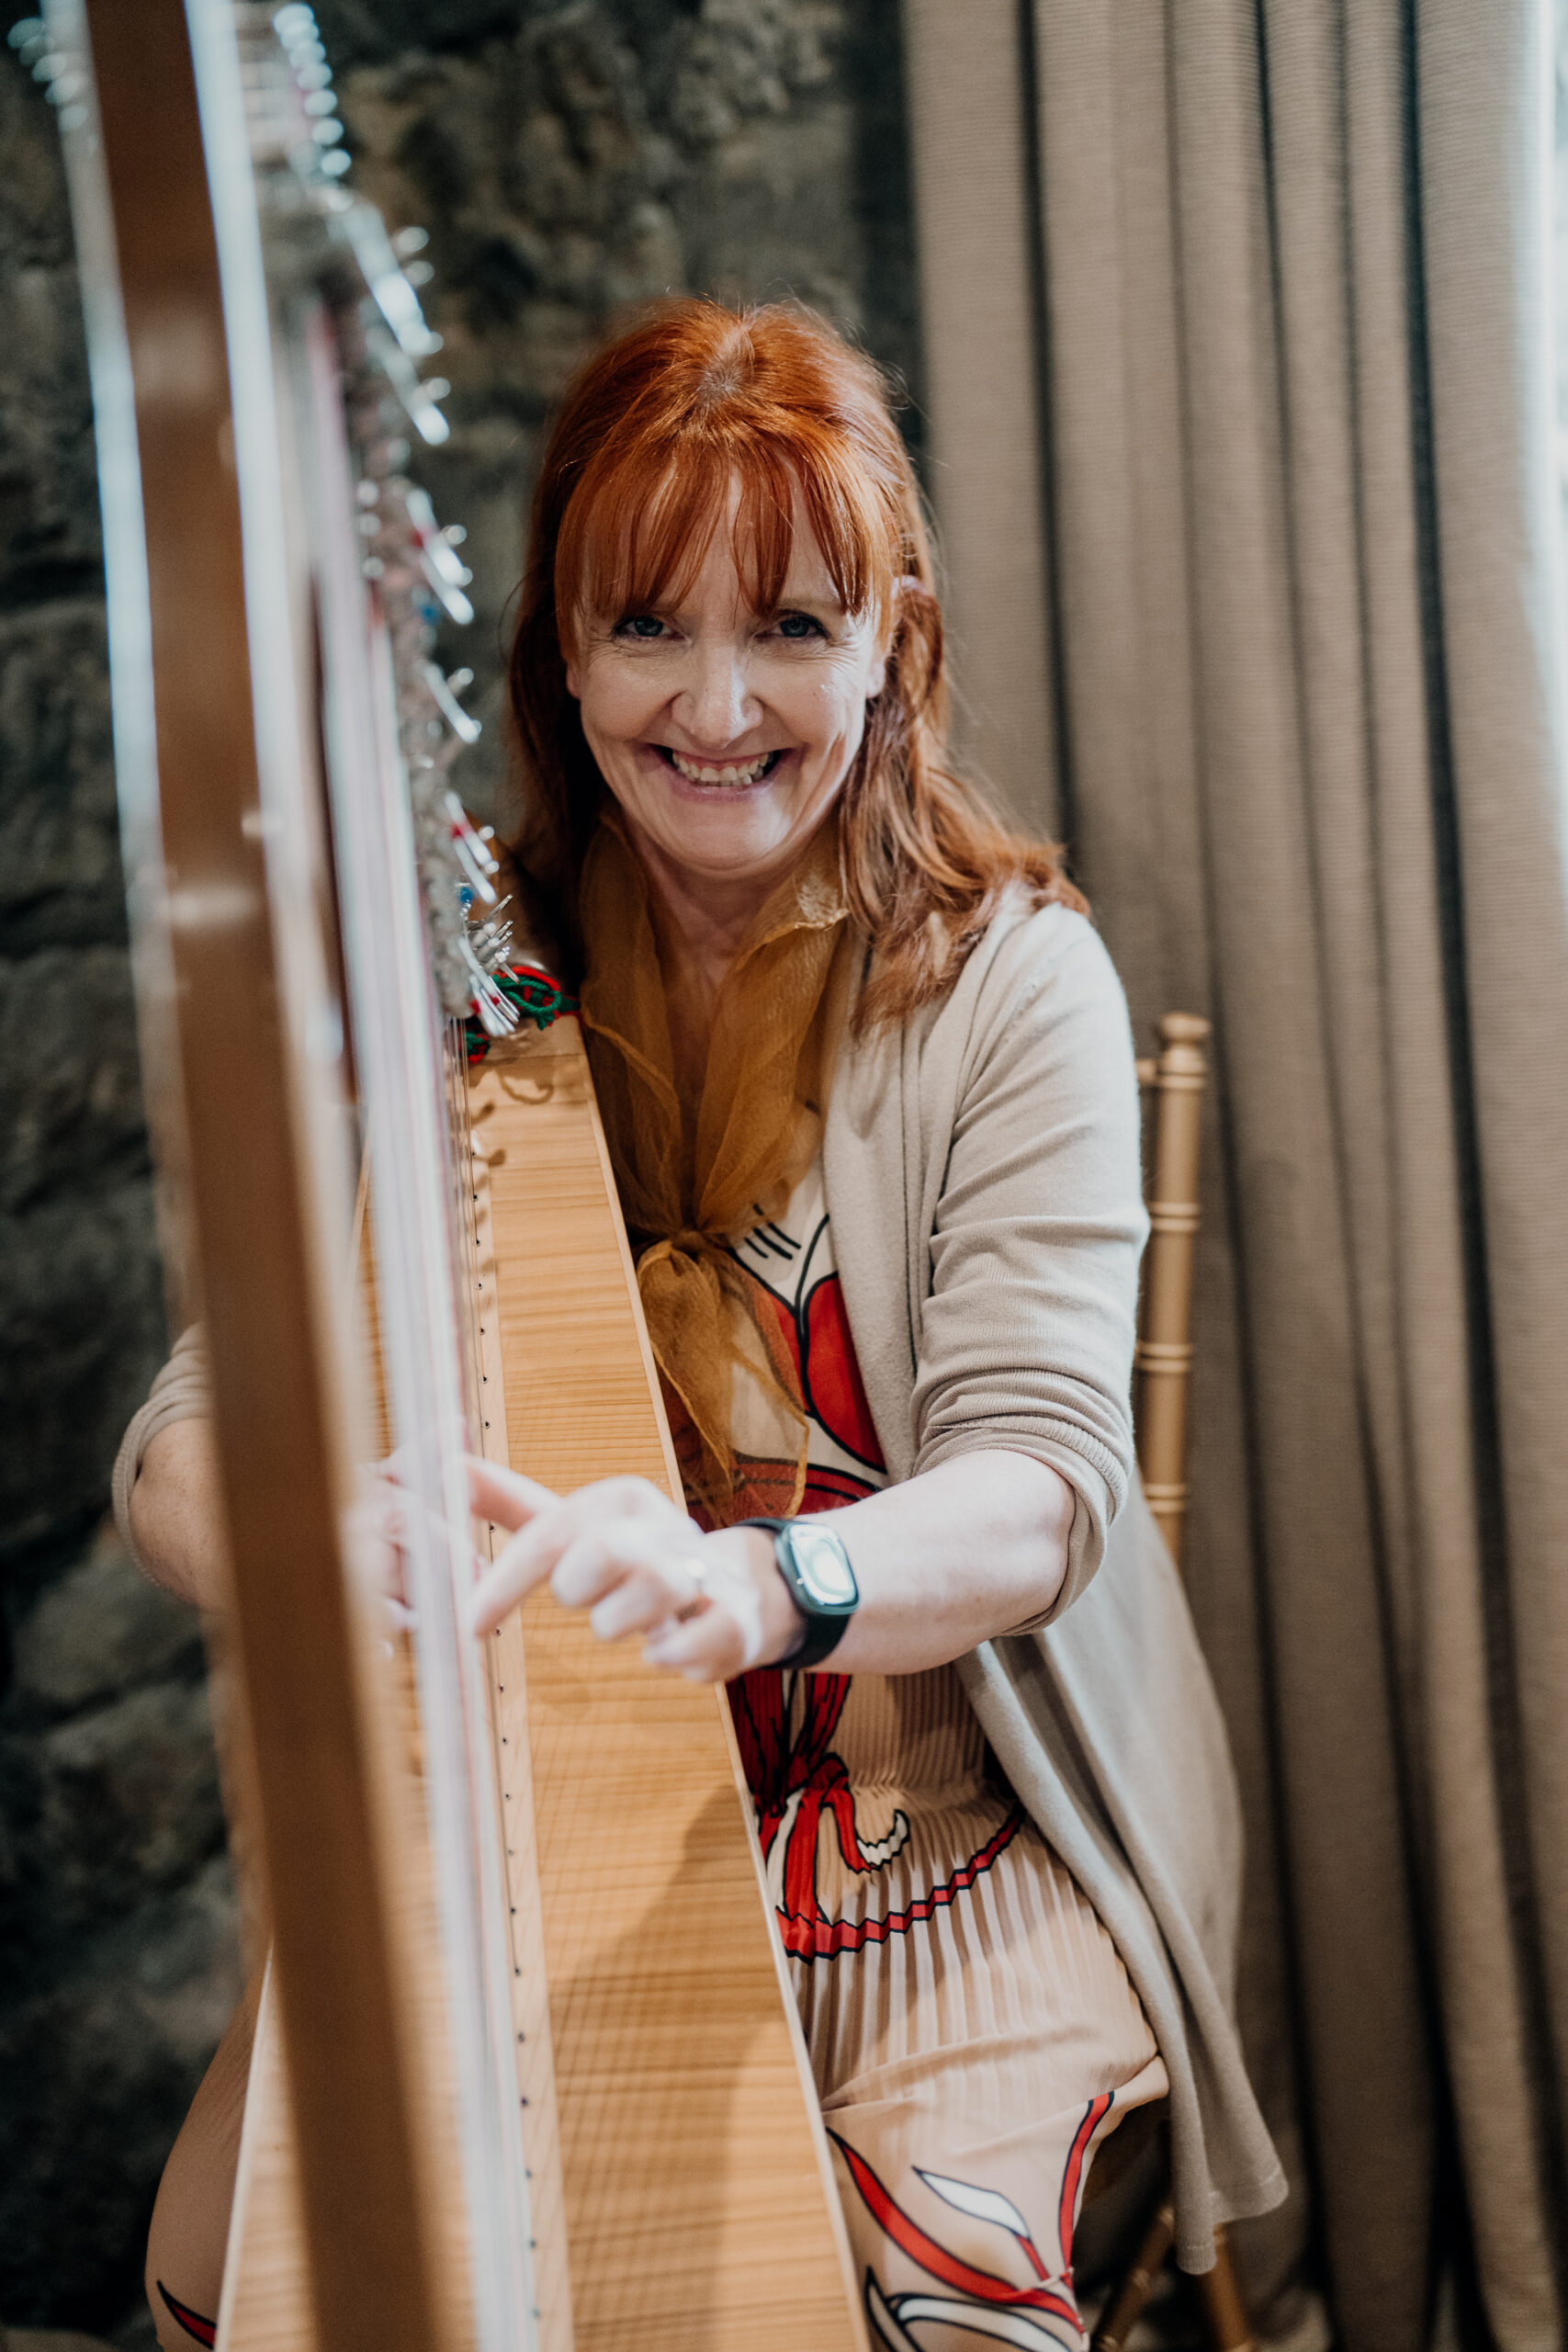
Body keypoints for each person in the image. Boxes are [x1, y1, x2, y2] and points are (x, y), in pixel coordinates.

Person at [118, 299, 1283, 2350]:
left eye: (794, 629)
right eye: (649, 625)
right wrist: (310, 1537)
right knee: (233, 2281)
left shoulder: (1009, 989)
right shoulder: (465, 1003)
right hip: (564, 1828)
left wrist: (767, 1580)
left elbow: (1040, 1490)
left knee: (928, 2307)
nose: (717, 705)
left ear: (891, 644)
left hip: (958, 1821)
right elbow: (180, 1439)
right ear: (561, 658)